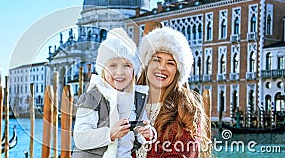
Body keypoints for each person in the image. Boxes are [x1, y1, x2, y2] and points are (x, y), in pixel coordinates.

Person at [72, 28, 151, 158]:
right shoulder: (92, 97)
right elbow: (80, 138)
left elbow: (142, 130)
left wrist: (148, 133)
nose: (119, 72)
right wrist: (110, 134)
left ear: (134, 70)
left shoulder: (138, 99)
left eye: (126, 65)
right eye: (112, 65)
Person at [136, 27, 211, 157]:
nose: (162, 68)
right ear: (146, 64)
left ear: (178, 71)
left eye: (170, 63)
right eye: (157, 60)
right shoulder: (127, 104)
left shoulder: (187, 110)